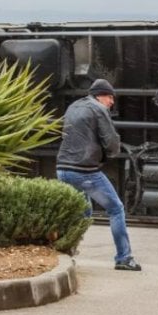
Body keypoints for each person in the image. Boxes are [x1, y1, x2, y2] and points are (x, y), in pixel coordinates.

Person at [56, 78, 142, 271]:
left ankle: (64, 252)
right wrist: (112, 152)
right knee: (116, 209)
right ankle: (124, 258)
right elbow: (111, 142)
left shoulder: (73, 106)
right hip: (84, 172)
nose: (112, 102)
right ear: (100, 96)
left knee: (83, 213)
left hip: (62, 169)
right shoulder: (99, 109)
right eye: (110, 97)